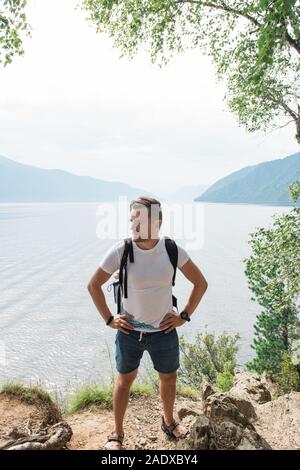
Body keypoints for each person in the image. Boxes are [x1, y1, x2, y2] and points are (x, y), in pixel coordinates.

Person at [87, 196, 208, 450]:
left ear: (158, 222)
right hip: (129, 332)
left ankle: (168, 421)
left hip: (164, 332)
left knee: (169, 378)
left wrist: (183, 316)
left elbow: (201, 283)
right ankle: (117, 433)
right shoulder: (122, 250)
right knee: (124, 381)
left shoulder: (172, 249)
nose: (135, 226)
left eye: (141, 220)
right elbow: (93, 285)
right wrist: (110, 319)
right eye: (133, 220)